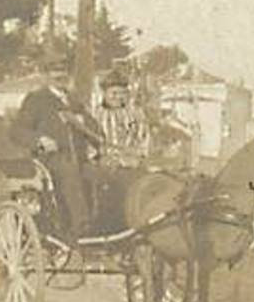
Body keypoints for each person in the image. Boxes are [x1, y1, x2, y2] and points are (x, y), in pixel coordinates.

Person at [9, 63, 99, 243]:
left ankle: (103, 224)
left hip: (80, 159)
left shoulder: (74, 102)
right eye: (55, 72)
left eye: (64, 72)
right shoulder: (36, 99)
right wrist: (39, 140)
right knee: (68, 171)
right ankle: (81, 225)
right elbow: (17, 131)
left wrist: (86, 129)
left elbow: (95, 129)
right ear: (47, 75)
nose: (60, 76)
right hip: (50, 160)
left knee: (101, 176)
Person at [96, 69, 149, 169]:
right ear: (104, 93)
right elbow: (93, 145)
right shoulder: (97, 115)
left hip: (131, 164)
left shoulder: (135, 114)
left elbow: (142, 138)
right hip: (105, 166)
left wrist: (130, 157)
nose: (118, 97)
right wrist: (103, 158)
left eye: (122, 93)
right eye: (114, 93)